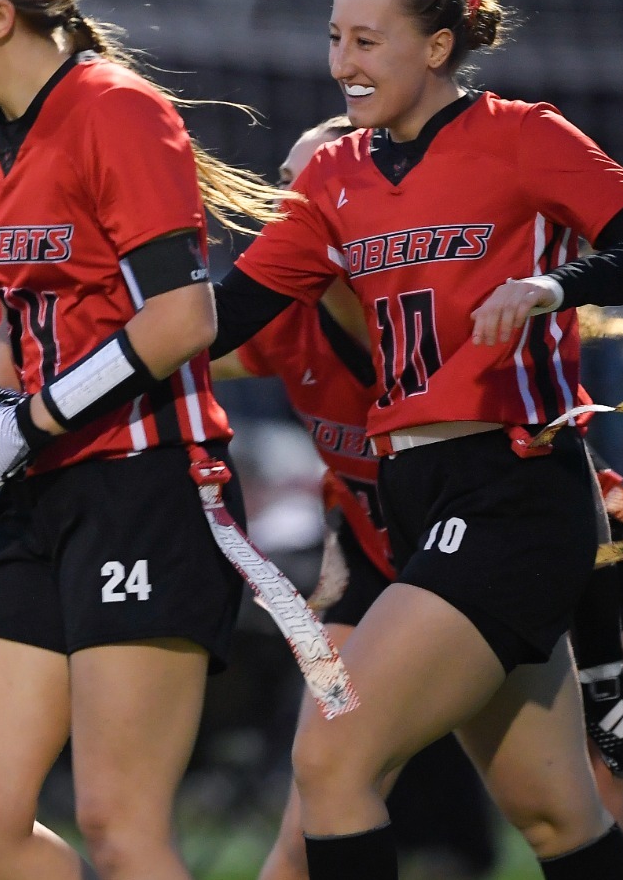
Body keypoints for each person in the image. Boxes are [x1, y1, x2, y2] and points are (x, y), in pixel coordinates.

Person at [212, 0, 623, 880]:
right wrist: (86, 334)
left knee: (333, 757)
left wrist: (557, 287)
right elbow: (225, 313)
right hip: (417, 497)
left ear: (437, 46)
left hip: (510, 490)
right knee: (562, 816)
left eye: (367, 40)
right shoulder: (333, 175)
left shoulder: (522, 133)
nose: (340, 64)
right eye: (333, 38)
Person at [0, 0, 286, 880]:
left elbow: (179, 320)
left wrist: (30, 418)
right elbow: (19, 315)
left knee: (120, 827)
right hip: (39, 497)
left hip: (147, 488)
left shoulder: (114, 109)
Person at [216, 117, 500, 880]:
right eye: (287, 185)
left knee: (572, 803)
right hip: (375, 565)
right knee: (317, 797)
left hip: (495, 560)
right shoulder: (284, 318)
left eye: (312, 188)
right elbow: (176, 352)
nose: (287, 207)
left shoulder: (454, 314)